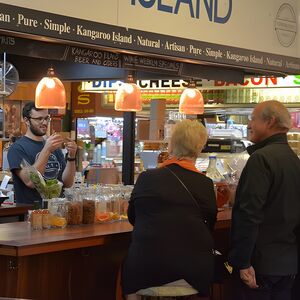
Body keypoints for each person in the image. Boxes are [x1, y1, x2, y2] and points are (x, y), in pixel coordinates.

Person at [122, 119, 217, 300]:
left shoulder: (146, 178)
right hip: (191, 275)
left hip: (144, 272)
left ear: (171, 144)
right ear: (200, 147)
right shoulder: (205, 184)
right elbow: (209, 224)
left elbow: (133, 217)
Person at [228, 100, 300, 300]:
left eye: (253, 119)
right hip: (287, 265)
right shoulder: (294, 161)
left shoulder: (261, 159)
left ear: (270, 122)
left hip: (260, 265)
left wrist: (242, 262)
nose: (249, 124)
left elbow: (249, 214)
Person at [7, 102, 77, 206]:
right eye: (39, 119)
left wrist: (71, 156)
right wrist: (47, 150)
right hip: (32, 213)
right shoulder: (17, 148)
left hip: (57, 211)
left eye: (46, 118)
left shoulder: (52, 145)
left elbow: (67, 183)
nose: (44, 122)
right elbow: (30, 182)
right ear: (27, 121)